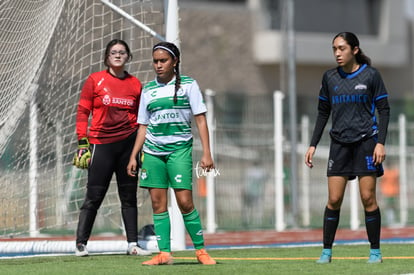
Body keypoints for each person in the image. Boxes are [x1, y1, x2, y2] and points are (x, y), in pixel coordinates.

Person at [127, 41, 216, 265]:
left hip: (179, 151)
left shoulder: (189, 85)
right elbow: (143, 126)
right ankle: (164, 253)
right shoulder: (148, 89)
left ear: (174, 62)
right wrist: (133, 155)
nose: (158, 65)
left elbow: (200, 119)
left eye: (163, 61)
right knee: (158, 203)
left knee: (185, 202)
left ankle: (201, 251)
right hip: (153, 153)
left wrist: (207, 153)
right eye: (155, 61)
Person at [304, 32, 390, 264]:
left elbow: (384, 109)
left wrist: (380, 142)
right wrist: (312, 144)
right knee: (333, 199)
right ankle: (326, 251)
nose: (337, 53)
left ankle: (375, 251)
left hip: (366, 143)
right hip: (339, 144)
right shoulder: (329, 78)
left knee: (368, 198)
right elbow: (323, 113)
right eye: (334, 49)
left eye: (341, 48)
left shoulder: (371, 75)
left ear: (354, 50)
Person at [73, 39, 151, 257]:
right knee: (94, 195)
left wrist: (139, 148)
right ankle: (81, 244)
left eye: (122, 52)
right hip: (100, 144)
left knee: (128, 196)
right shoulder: (95, 80)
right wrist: (82, 142)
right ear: (107, 56)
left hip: (128, 146)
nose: (118, 55)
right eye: (114, 52)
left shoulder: (135, 84)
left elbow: (141, 119)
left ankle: (133, 244)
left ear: (128, 57)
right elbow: (82, 113)